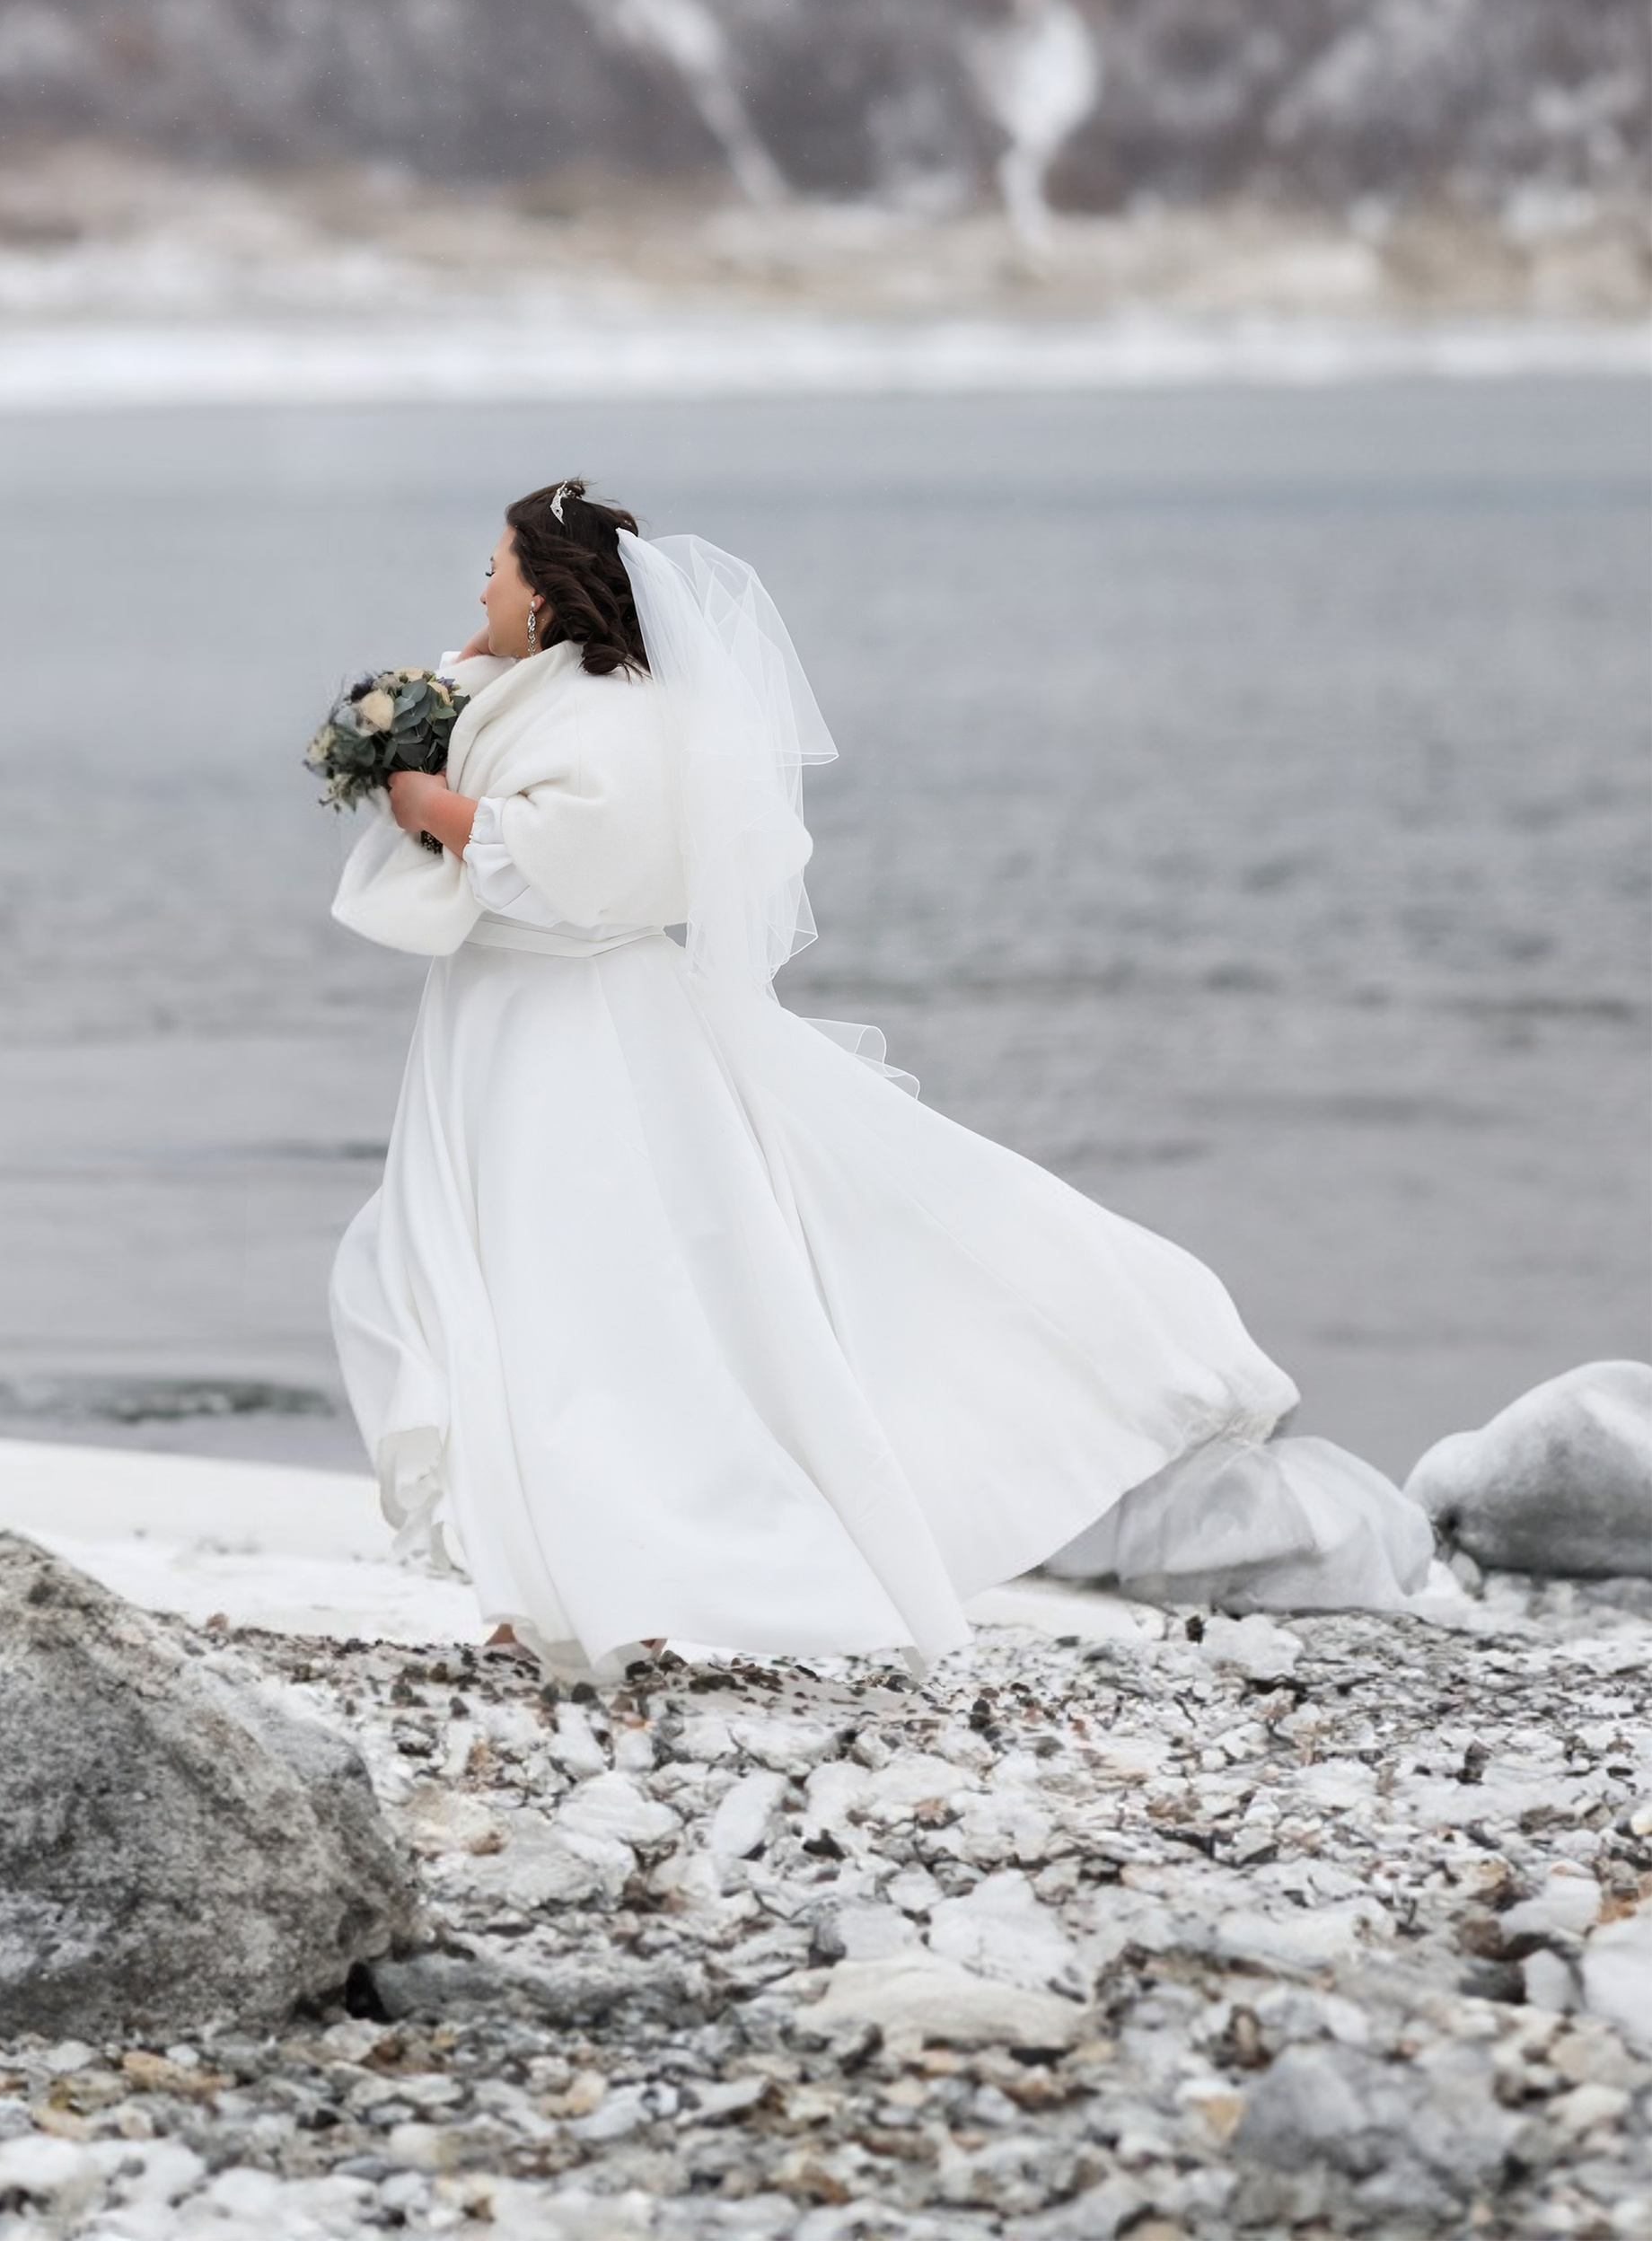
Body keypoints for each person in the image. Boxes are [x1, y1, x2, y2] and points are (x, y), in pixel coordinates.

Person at [328, 479, 1435, 1680]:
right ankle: (540, 1582)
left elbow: (568, 865)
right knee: (493, 1284)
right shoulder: (536, 686)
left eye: (494, 567)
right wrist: (415, 725)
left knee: (581, 1300)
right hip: (503, 1030)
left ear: (545, 593)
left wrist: (423, 799)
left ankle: (614, 1580)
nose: (477, 587)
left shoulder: (612, 712)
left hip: (572, 1042)